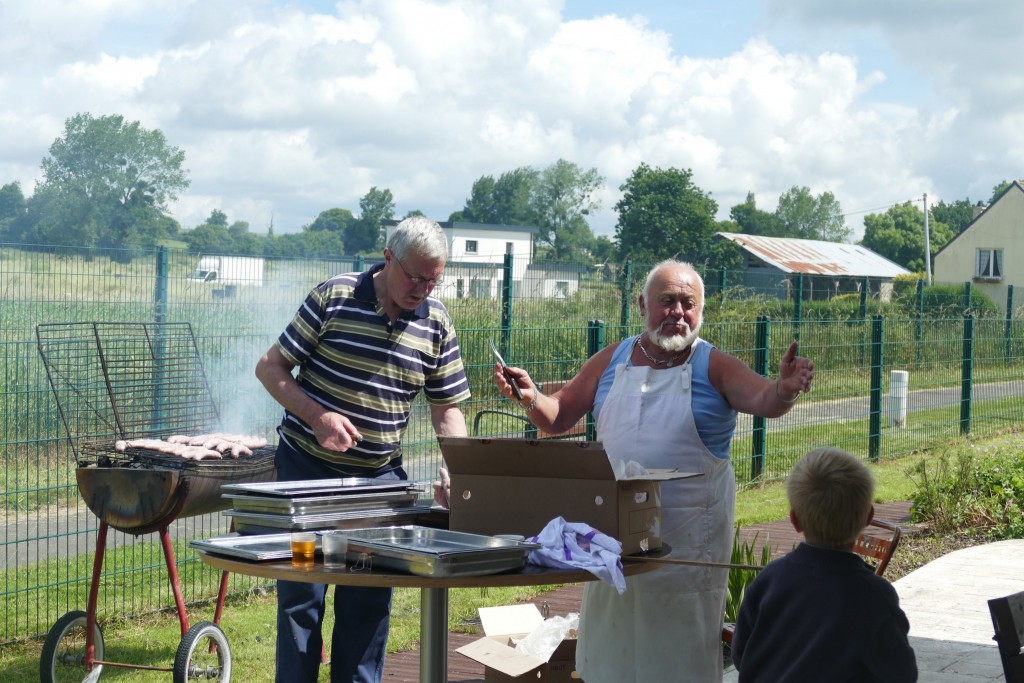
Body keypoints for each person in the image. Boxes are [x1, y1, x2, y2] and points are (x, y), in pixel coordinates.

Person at [491, 259, 814, 683]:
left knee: (677, 663)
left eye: (688, 303)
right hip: (614, 548)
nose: (678, 312)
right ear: (642, 304)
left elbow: (765, 400)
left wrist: (785, 390)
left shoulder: (714, 366)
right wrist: (531, 397)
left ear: (700, 312)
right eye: (667, 302)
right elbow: (559, 416)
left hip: (686, 553)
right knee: (612, 659)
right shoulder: (613, 359)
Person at [255, 215, 471, 683]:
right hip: (307, 475)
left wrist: (463, 469)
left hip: (376, 485)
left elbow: (446, 408)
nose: (423, 289)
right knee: (302, 598)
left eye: (434, 280)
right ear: (388, 257)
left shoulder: (435, 322)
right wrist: (318, 417)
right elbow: (270, 368)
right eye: (415, 276)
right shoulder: (333, 297)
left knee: (368, 597)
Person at [730, 447, 918, 682]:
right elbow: (901, 674)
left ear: (795, 520)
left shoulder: (769, 580)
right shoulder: (875, 597)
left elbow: (741, 656)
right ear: (868, 517)